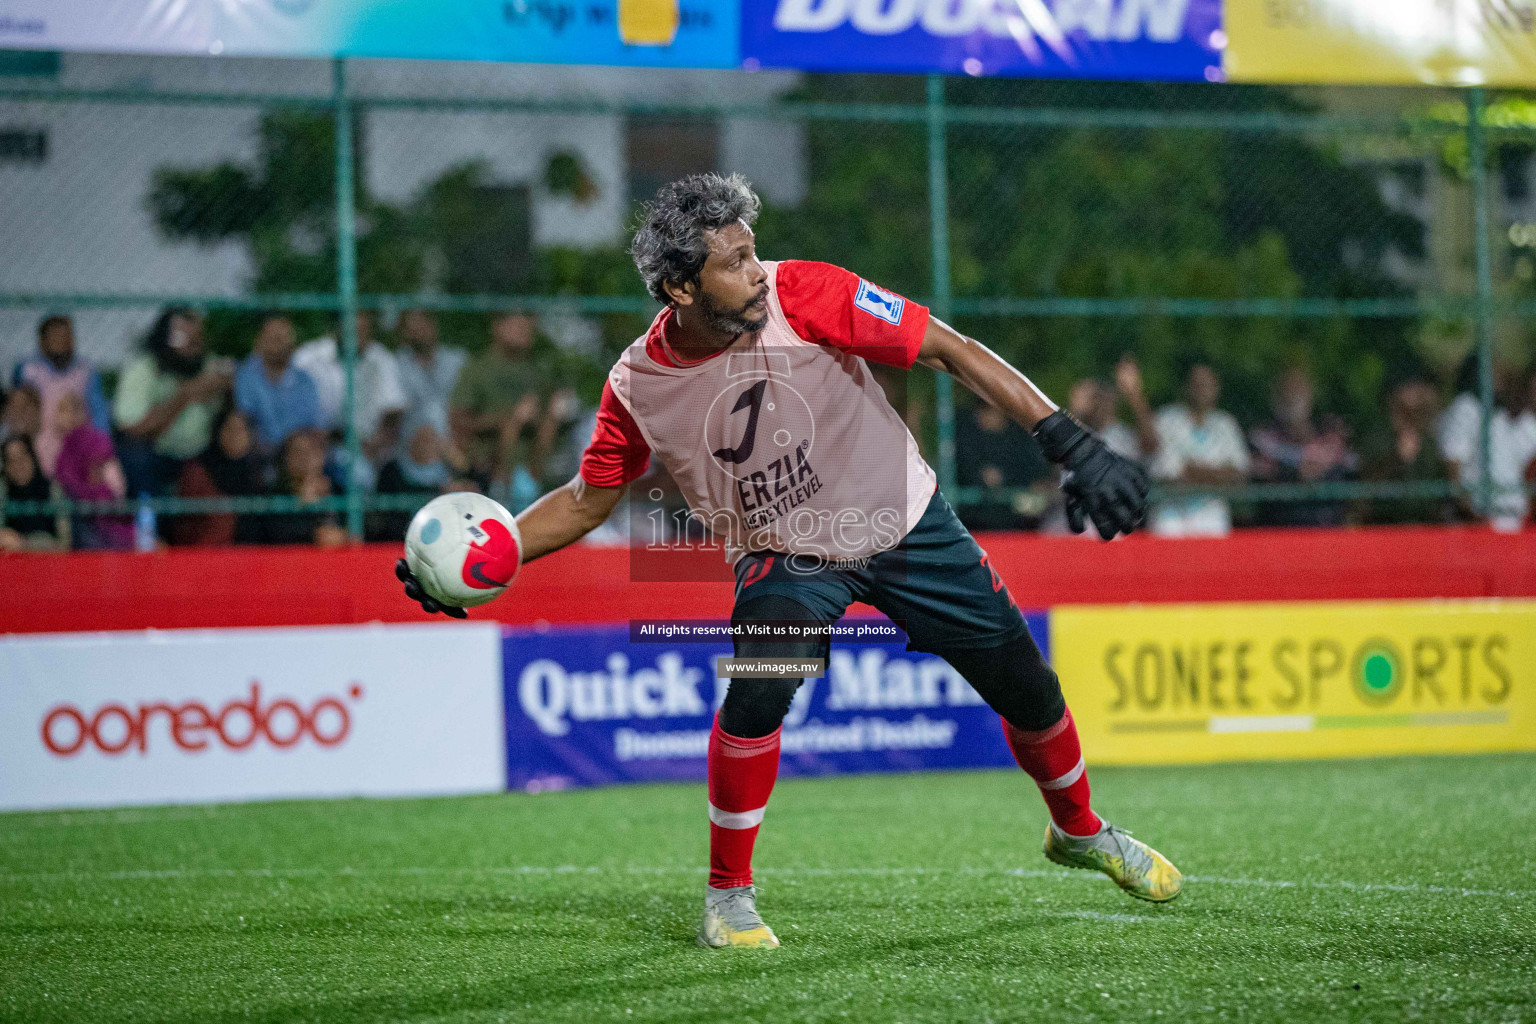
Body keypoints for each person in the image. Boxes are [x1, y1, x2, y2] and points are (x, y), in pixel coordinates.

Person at [394, 173, 1175, 949]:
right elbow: (588, 498)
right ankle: (728, 897)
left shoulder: (806, 293)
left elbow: (949, 349)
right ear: (678, 287)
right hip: (787, 554)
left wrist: (1071, 444)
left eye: (753, 250)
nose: (756, 270)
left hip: (902, 520)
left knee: (1030, 692)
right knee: (759, 687)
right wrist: (493, 556)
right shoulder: (636, 385)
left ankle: (1079, 831)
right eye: (733, 262)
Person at [450, 311, 578, 491]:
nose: (525, 330)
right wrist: (508, 419)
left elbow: (555, 421)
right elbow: (458, 422)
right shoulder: (477, 369)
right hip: (488, 467)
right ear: (497, 328)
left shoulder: (541, 370)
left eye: (528, 325)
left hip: (535, 469)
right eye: (517, 325)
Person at [113, 308, 232, 496]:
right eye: (182, 336)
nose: (192, 342)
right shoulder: (144, 368)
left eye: (197, 336)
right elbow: (131, 427)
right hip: (159, 453)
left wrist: (227, 389)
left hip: (202, 453)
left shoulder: (210, 365)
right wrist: (184, 396)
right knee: (135, 455)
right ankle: (147, 521)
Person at [1147, 363, 1251, 538]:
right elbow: (1168, 473)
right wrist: (1217, 474)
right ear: (1185, 387)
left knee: (1214, 566)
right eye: (1196, 384)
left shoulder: (1226, 424)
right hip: (1170, 518)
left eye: (1207, 384)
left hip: (1213, 517)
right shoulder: (1166, 419)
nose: (1201, 390)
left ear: (1216, 388)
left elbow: (1239, 474)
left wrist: (1193, 471)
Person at [292, 310, 406, 469]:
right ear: (338, 328)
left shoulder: (381, 359)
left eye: (362, 330)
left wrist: (374, 445)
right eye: (351, 330)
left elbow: (394, 410)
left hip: (368, 449)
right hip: (319, 443)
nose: (356, 336)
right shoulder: (309, 356)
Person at [1249, 365, 1357, 527]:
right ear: (1274, 398)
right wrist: (1294, 474)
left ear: (1310, 393)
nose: (1291, 397)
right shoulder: (1262, 438)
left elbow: (1354, 472)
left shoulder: (1333, 438)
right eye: (1285, 391)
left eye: (1298, 390)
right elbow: (1255, 474)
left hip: (1328, 529)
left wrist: (1323, 473)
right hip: (1279, 530)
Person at [1437, 356, 1536, 531]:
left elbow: (1527, 465)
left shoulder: (1508, 417)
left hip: (1516, 524)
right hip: (1480, 524)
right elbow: (1453, 466)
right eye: (1494, 372)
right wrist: (1472, 515)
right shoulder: (1466, 408)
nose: (1501, 377)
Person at [12, 314, 111, 476]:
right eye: (55, 336)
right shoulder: (28, 370)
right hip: (37, 445)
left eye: (67, 336)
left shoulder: (84, 370)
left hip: (76, 447)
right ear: (42, 341)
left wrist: (99, 450)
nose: (62, 342)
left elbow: (99, 415)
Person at [1355, 379, 1455, 526]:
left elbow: (1444, 483)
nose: (1417, 395)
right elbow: (1368, 485)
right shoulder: (1378, 438)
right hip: (1385, 527)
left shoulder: (1433, 441)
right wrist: (1396, 459)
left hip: (1428, 527)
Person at [171, 406, 267, 546]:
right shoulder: (198, 470)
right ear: (218, 432)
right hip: (202, 552)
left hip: (250, 556)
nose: (234, 436)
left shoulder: (258, 471)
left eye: (241, 430)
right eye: (229, 429)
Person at [52, 391, 132, 550]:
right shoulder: (62, 451)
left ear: (84, 414)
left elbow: (108, 490)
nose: (67, 417)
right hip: (78, 519)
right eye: (62, 411)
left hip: (105, 522)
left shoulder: (97, 444)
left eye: (73, 410)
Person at [234, 313, 323, 454]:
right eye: (273, 338)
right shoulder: (246, 376)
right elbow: (245, 419)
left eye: (283, 338)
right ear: (260, 341)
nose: (280, 345)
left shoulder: (305, 381)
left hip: (295, 454)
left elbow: (311, 426)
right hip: (256, 454)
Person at [954, 402, 1052, 530]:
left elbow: (1036, 476)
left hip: (1015, 523)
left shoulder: (1019, 438)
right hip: (974, 521)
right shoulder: (965, 438)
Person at [251, 430, 348, 548]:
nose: (305, 457)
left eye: (311, 450)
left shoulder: (340, 491)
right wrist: (304, 507)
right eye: (297, 452)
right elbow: (274, 536)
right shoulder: (269, 495)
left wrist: (344, 536)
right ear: (285, 459)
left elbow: (364, 529)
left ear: (322, 456)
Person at [395, 308, 468, 446]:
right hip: (412, 443)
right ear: (404, 333)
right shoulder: (396, 365)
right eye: (414, 329)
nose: (420, 333)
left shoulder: (458, 360)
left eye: (424, 326)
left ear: (434, 326)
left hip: (456, 440)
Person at [0, 434, 68, 552]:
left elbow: (65, 544)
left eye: (22, 457)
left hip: (47, 564)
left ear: (32, 457)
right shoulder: (3, 492)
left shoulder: (52, 490)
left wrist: (24, 543)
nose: (17, 465)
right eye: (11, 460)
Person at [0, 382, 42, 447]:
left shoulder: (32, 422)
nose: (17, 404)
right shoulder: (5, 420)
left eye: (22, 402)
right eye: (14, 402)